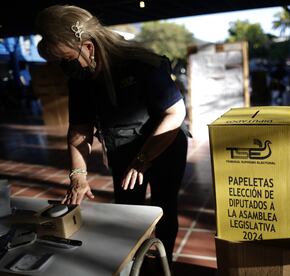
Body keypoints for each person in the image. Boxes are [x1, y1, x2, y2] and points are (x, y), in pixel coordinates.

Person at [35, 5, 188, 264]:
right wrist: (78, 176)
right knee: (127, 211)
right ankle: (132, 264)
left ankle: (165, 262)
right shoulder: (80, 77)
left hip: (163, 143)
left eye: (66, 58)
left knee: (164, 207)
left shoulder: (140, 64)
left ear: (88, 47)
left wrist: (143, 159)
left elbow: (175, 113)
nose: (63, 67)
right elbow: (80, 130)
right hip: (122, 148)